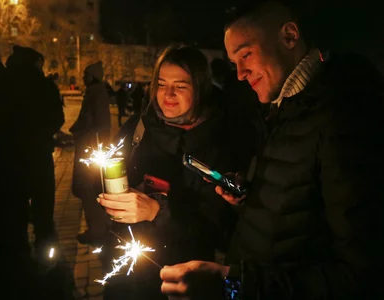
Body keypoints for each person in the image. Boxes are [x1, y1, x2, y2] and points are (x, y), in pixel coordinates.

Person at [160, 1, 384, 299]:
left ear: (289, 36)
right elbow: (298, 212)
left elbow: (360, 274)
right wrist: (249, 198)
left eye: (246, 54)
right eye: (233, 62)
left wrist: (232, 284)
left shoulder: (345, 116)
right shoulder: (285, 107)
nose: (239, 73)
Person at [97, 44, 252, 300]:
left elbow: (217, 227)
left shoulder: (219, 143)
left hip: (181, 279)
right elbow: (105, 175)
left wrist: (157, 210)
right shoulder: (138, 128)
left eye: (180, 86)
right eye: (161, 84)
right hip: (125, 272)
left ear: (201, 89)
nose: (168, 94)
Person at [0, 45, 65, 271]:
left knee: (13, 208)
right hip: (38, 156)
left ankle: (17, 258)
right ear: (35, 62)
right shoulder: (42, 85)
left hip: (8, 159)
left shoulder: (4, 83)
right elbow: (57, 117)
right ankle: (46, 258)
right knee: (43, 210)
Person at [70, 61, 111, 246]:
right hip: (94, 146)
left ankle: (97, 230)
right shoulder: (97, 92)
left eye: (86, 75)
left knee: (89, 189)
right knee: (92, 188)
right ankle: (98, 228)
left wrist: (75, 131)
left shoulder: (95, 93)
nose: (83, 78)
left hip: (91, 147)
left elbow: (86, 119)